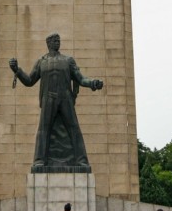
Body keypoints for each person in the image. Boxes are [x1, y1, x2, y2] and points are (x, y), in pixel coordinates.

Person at [9, 33, 104, 168]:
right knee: (43, 130)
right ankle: (39, 161)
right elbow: (29, 81)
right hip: (49, 98)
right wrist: (16, 70)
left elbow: (81, 79)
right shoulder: (41, 62)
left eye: (58, 40)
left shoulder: (68, 60)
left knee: (74, 128)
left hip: (65, 98)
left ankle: (81, 160)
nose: (57, 42)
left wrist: (93, 83)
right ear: (48, 43)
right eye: (54, 40)